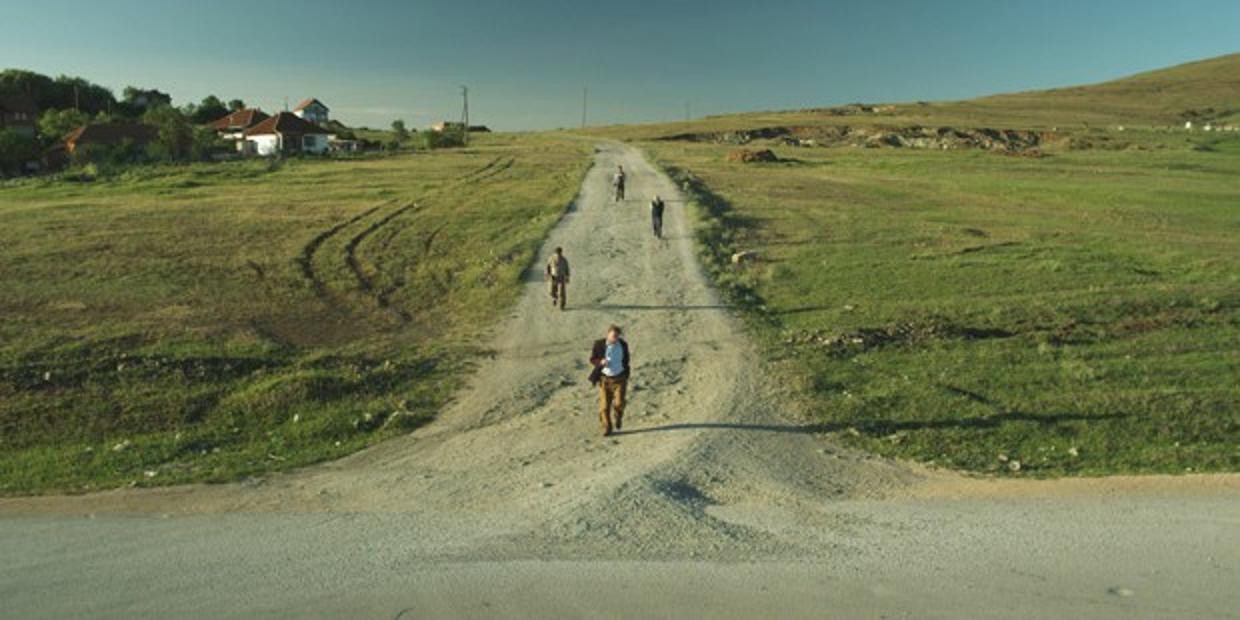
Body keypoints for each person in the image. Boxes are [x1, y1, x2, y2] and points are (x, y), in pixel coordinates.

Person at [589, 325, 631, 437]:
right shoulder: (599, 345)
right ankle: (607, 427)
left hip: (620, 379)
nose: (615, 339)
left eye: (617, 337)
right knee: (604, 406)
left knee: (619, 403)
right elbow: (592, 359)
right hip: (605, 380)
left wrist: (626, 373)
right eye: (613, 336)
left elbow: (626, 360)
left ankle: (618, 416)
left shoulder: (623, 345)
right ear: (608, 334)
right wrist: (600, 362)